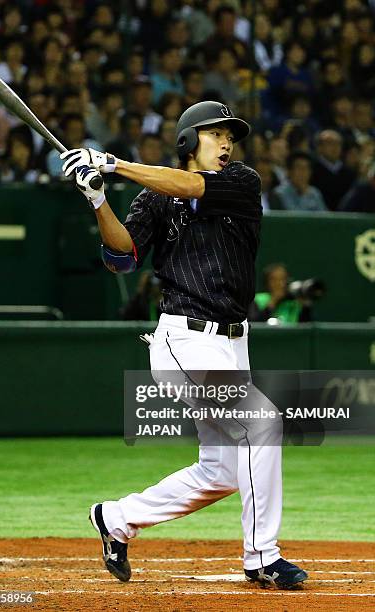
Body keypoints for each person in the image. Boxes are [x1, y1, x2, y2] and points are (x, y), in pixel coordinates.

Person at [60, 100, 308, 589]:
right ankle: (262, 556)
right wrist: (97, 199)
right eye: (215, 134)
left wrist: (112, 164)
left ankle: (115, 518)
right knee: (262, 422)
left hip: (234, 345)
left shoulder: (241, 182)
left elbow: (192, 187)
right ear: (189, 141)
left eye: (229, 137)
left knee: (221, 471)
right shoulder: (154, 200)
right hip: (184, 340)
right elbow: (122, 257)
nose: (225, 143)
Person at [249, 263, 313, 323]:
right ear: (267, 282)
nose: (279, 284)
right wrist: (273, 302)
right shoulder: (258, 299)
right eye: (274, 280)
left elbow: (306, 328)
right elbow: (254, 324)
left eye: (283, 279)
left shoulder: (295, 303)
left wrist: (305, 307)